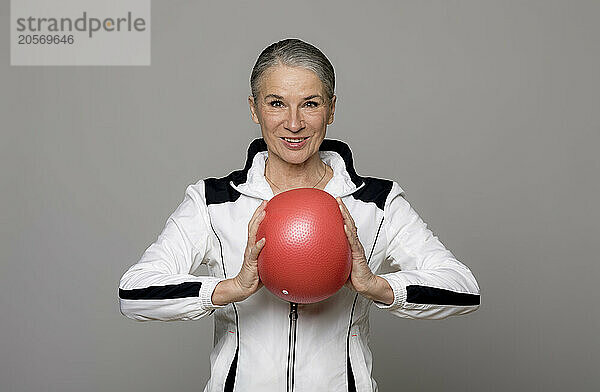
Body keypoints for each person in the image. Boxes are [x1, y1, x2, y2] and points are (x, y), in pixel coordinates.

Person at [118, 38, 481, 392]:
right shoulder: (213, 201)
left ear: (332, 108)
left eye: (310, 104)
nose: (294, 123)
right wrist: (230, 288)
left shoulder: (377, 202)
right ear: (254, 107)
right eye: (276, 103)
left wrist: (377, 286)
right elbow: (133, 295)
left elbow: (463, 289)